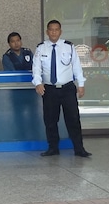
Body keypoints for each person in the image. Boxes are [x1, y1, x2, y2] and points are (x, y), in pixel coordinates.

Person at [32, 20, 91, 157]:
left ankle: (79, 149)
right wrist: (38, 83)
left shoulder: (68, 47)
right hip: (49, 89)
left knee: (73, 119)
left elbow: (76, 66)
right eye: (51, 30)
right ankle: (53, 148)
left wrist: (81, 84)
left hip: (67, 88)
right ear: (47, 32)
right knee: (50, 120)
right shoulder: (41, 48)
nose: (54, 32)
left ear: (60, 31)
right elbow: (36, 68)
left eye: (56, 29)